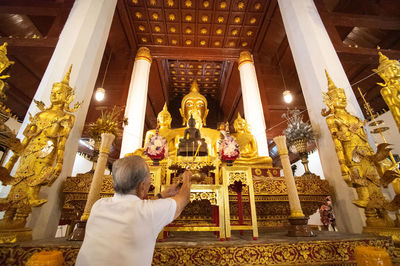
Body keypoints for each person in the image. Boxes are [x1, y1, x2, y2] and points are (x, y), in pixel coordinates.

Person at [76, 155, 192, 266]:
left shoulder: (98, 206)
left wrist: (162, 195)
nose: (150, 182)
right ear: (142, 186)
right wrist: (187, 178)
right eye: (149, 179)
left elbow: (138, 208)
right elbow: (184, 199)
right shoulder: (149, 213)